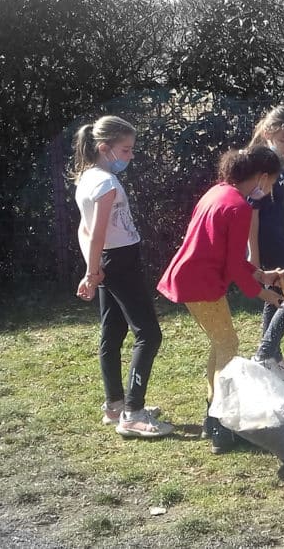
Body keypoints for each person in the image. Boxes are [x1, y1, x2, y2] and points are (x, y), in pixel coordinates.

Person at [157, 147, 284, 454]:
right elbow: (231, 264)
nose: (269, 191)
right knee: (228, 344)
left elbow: (229, 256)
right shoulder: (238, 207)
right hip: (199, 283)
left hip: (192, 278)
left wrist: (260, 274)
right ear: (262, 177)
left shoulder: (217, 193)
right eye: (271, 183)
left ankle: (212, 418)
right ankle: (220, 424)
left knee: (222, 343)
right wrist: (264, 293)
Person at [71, 115, 172, 438]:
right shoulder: (105, 183)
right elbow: (95, 230)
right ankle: (133, 412)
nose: (130, 157)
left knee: (112, 332)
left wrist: (95, 267)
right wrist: (91, 272)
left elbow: (83, 230)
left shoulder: (88, 178)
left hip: (109, 261)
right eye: (126, 150)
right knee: (149, 334)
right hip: (120, 261)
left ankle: (115, 405)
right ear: (104, 148)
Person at [246, 105, 284, 381]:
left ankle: (274, 359)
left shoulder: (281, 163)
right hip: (272, 244)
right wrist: (254, 256)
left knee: (275, 298)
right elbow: (252, 211)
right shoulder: (263, 164)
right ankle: (263, 354)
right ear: (269, 133)